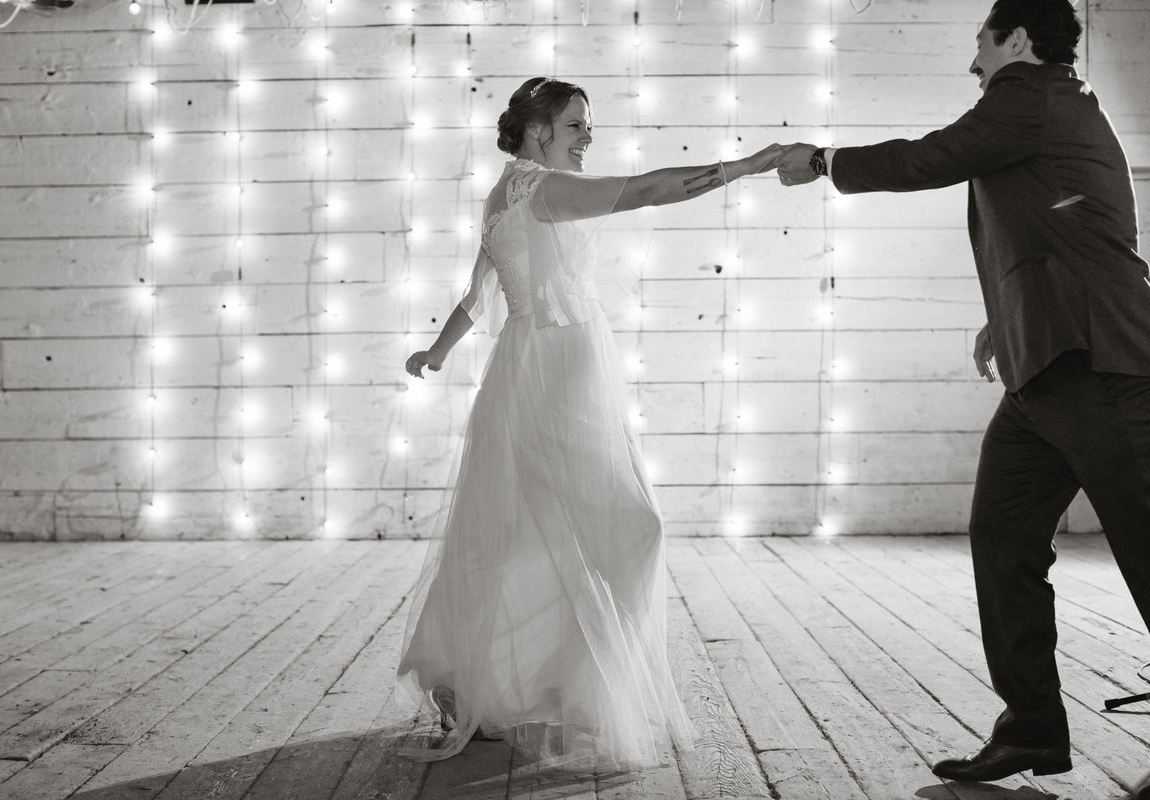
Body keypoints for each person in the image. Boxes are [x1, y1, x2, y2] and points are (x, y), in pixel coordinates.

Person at [774, 0, 1150, 785]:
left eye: (980, 43)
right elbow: (1057, 228)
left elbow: (926, 158)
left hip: (1102, 368)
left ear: (1015, 38)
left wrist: (821, 161)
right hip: (1046, 368)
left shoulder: (1030, 96)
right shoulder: (1047, 110)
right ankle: (1032, 732)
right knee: (1002, 540)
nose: (972, 61)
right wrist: (1003, 319)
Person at [397, 77, 781, 767]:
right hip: (556, 372)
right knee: (625, 528)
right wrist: (746, 167)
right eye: (578, 126)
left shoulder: (503, 194)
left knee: (519, 534)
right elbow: (644, 191)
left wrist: (437, 350)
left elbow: (476, 297)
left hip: (534, 369)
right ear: (540, 131)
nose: (588, 138)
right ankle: (562, 688)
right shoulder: (541, 190)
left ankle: (486, 680)